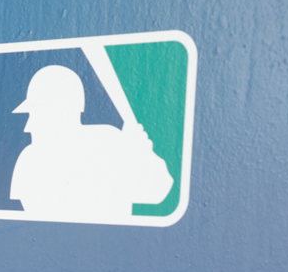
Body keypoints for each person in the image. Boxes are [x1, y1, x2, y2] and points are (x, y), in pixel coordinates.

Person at [9, 64, 172, 223]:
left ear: (62, 112)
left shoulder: (109, 142)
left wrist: (141, 156)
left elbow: (156, 191)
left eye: (36, 114)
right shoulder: (31, 159)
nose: (27, 127)